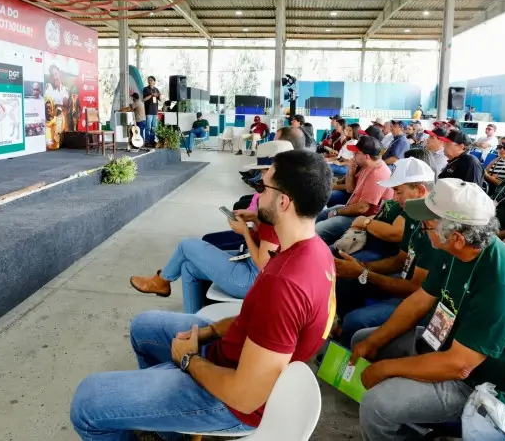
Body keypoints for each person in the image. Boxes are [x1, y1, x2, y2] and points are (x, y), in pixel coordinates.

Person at [70, 150, 336, 441]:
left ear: (284, 202)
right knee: (143, 327)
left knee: (86, 403)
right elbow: (255, 320)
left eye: (263, 187)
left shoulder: (284, 284)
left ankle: (172, 410)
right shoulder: (316, 251)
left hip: (231, 401)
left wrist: (189, 361)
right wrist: (207, 332)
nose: (257, 191)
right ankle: (169, 429)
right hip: (229, 358)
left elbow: (244, 397)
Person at [353, 178, 505, 441]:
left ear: (456, 237)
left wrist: (387, 368)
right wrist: (375, 342)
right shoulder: (453, 247)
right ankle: (413, 421)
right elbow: (420, 299)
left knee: (377, 404)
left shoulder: (501, 287)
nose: (422, 228)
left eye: (427, 224)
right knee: (363, 340)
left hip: (481, 384)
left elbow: (459, 366)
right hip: (447, 343)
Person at [129, 142, 293, 313]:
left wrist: (244, 231)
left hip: (252, 279)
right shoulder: (283, 200)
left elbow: (263, 265)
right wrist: (255, 218)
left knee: (187, 246)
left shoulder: (275, 206)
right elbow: (268, 240)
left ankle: (161, 281)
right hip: (252, 267)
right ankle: (192, 323)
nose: (260, 177)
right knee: (188, 267)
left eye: (263, 172)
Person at [333, 158, 436, 346]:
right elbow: (399, 261)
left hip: (422, 301)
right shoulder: (413, 216)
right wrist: (360, 267)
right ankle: (348, 334)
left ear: (420, 190)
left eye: (398, 191)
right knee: (345, 279)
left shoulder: (435, 230)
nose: (394, 198)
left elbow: (415, 288)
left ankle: (352, 349)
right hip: (405, 282)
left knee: (357, 320)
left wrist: (364, 273)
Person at [316, 136, 393, 245]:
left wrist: (337, 212)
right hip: (352, 208)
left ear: (366, 156)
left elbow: (363, 208)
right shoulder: (366, 166)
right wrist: (351, 172)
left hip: (362, 218)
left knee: (318, 229)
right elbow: (350, 189)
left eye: (356, 153)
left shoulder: (378, 173)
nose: (353, 155)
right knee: (318, 216)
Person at [141, 76, 161, 146]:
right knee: (148, 127)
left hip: (155, 111)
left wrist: (159, 95)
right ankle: (147, 141)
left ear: (154, 82)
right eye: (149, 80)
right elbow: (143, 99)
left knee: (154, 128)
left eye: (151, 80)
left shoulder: (156, 89)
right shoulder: (145, 89)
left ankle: (153, 141)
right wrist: (151, 95)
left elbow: (160, 99)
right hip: (148, 111)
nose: (150, 81)